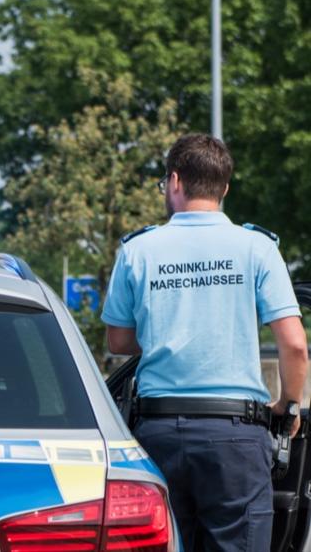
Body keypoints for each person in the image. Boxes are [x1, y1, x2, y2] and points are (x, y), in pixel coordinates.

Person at [101, 133, 308, 551]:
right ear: (224, 188)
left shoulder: (138, 250)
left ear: (174, 181)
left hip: (157, 435)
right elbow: (295, 345)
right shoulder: (257, 248)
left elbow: (118, 340)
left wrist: (170, 332)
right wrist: (288, 405)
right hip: (236, 439)